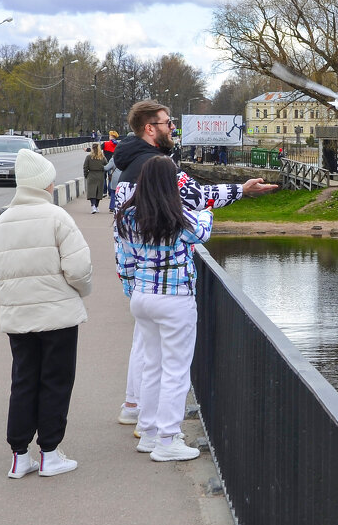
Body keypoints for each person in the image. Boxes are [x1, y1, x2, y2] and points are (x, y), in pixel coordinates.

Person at [111, 100, 276, 427]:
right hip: (171, 289)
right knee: (169, 364)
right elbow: (199, 200)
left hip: (139, 278)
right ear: (150, 128)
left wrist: (130, 284)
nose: (173, 127)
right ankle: (164, 434)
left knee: (146, 349)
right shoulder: (159, 168)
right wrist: (241, 190)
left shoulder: (124, 169)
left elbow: (122, 239)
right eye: (167, 122)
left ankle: (136, 410)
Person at [0, 148, 92, 478]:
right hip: (58, 314)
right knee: (56, 381)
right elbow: (79, 268)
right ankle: (49, 452)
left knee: (24, 380)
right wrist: (79, 293)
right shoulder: (58, 217)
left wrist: (16, 294)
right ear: (45, 184)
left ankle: (19, 456)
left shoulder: (2, 221)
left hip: (19, 316)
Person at [115, 156, 212, 462]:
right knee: (176, 370)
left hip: (142, 297)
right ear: (172, 183)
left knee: (152, 364)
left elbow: (125, 260)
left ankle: (149, 431)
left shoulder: (128, 216)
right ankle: (168, 439)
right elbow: (203, 231)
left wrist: (133, 290)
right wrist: (206, 210)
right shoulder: (178, 215)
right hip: (175, 298)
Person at [83, 143, 106, 213]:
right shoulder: (102, 157)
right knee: (99, 192)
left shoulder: (88, 157)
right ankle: (96, 206)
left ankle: (93, 206)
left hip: (91, 175)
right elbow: (106, 164)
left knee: (91, 191)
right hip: (100, 175)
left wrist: (86, 175)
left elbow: (85, 167)